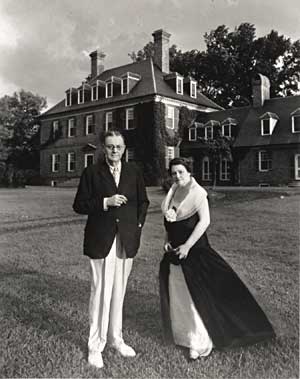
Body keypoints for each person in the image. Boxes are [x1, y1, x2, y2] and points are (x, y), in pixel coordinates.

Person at [159, 157, 275, 360]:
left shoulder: (198, 194)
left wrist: (187, 246)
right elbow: (169, 223)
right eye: (174, 172)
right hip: (175, 252)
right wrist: (167, 240)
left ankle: (199, 342)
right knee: (181, 297)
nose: (177, 176)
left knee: (197, 297)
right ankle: (184, 336)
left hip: (195, 251)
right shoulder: (173, 192)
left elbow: (204, 222)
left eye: (181, 172)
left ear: (189, 172)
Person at [73, 130, 149, 369]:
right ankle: (95, 347)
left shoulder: (133, 171)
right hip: (101, 240)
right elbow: (79, 205)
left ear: (124, 148)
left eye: (118, 146)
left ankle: (116, 339)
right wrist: (106, 202)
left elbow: (143, 202)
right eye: (110, 147)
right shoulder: (92, 172)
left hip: (126, 240)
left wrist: (136, 226)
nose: (114, 151)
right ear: (103, 149)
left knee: (119, 292)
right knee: (101, 293)